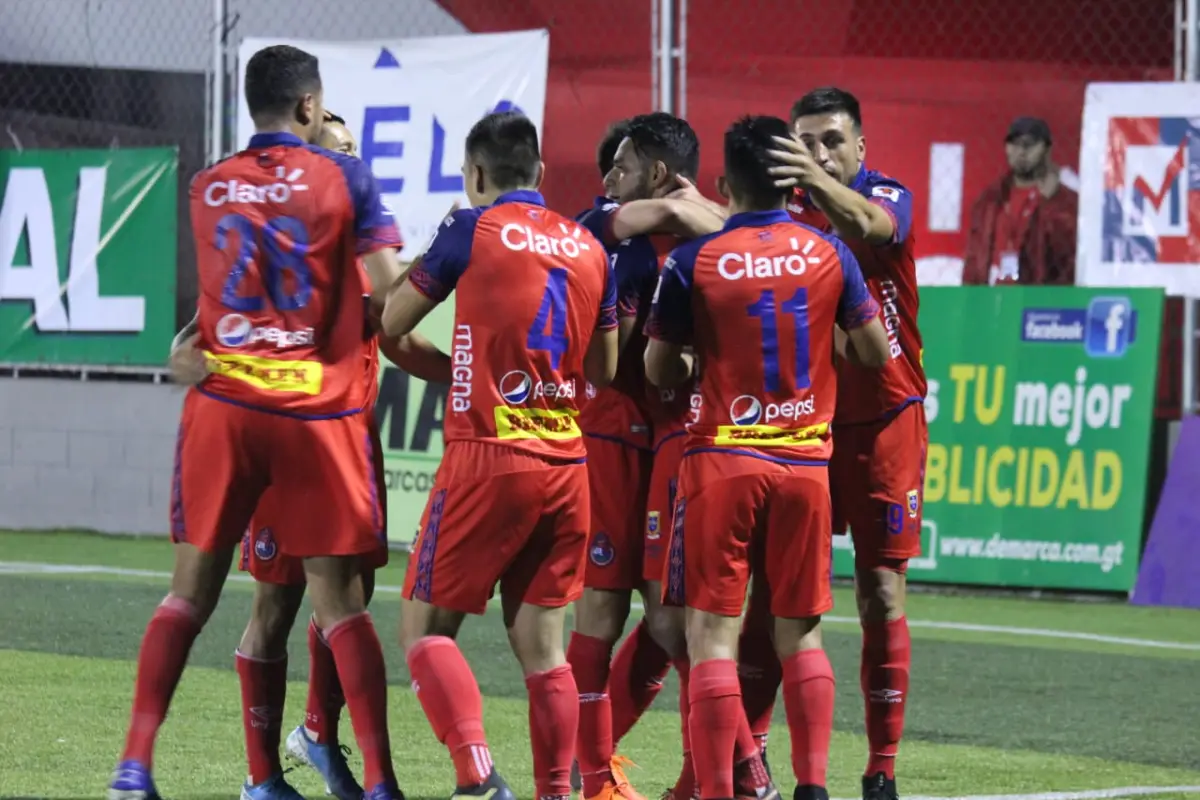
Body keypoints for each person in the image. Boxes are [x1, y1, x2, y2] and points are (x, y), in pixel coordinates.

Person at [108, 44, 408, 800]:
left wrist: (201, 349)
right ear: (310, 106)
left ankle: (133, 768)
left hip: (230, 406)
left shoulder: (209, 184)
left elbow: (210, 313)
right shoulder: (347, 182)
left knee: (188, 595)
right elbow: (393, 293)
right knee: (338, 605)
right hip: (314, 412)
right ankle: (376, 783)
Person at [645, 113, 890, 800]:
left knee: (712, 639)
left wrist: (700, 355)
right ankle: (814, 787)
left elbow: (661, 368)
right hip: (806, 465)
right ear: (792, 182)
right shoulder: (828, 252)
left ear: (724, 184)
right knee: (800, 637)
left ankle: (721, 792)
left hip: (723, 460)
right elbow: (874, 353)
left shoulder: (692, 261)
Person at [380, 110, 619, 800]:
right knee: (545, 652)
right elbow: (602, 366)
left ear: (476, 175)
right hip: (566, 464)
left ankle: (476, 773)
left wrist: (453, 368)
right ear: (541, 174)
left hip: (489, 454)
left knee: (425, 630)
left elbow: (392, 326)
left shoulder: (468, 228)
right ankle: (555, 793)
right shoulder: (587, 245)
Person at [766, 86, 927, 800]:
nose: (820, 151)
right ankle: (757, 759)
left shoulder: (885, 194)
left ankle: (881, 768)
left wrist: (814, 179)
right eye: (806, 140)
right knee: (781, 596)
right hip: (806, 423)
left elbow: (870, 224)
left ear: (861, 146)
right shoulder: (782, 215)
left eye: (833, 140)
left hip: (888, 416)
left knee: (880, 591)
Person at [571, 112, 726, 800]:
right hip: (607, 436)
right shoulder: (618, 240)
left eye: (622, 167)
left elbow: (753, 230)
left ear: (659, 172)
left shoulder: (708, 245)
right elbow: (606, 362)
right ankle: (593, 778)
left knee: (671, 619)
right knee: (601, 613)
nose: (608, 182)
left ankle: (699, 777)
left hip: (672, 443)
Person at [962, 116, 1078, 285]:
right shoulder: (990, 200)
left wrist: (1050, 204)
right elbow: (974, 260)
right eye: (1014, 144)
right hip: (992, 300)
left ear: (1047, 149)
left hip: (1038, 303)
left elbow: (1067, 259)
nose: (1021, 151)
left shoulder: (1065, 202)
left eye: (1029, 144)